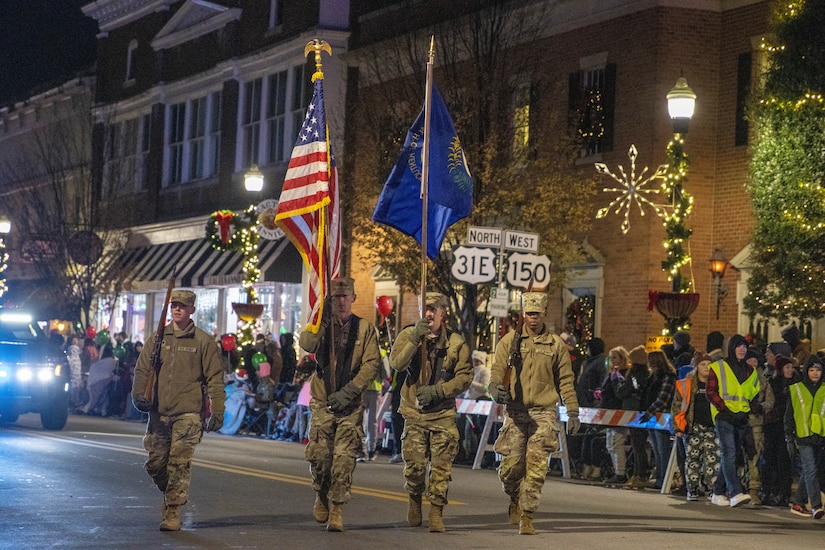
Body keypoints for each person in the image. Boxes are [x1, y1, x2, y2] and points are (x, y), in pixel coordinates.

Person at [131, 289, 226, 531]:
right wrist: (139, 396)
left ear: (192, 310)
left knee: (178, 464)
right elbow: (142, 370)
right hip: (159, 412)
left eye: (182, 306)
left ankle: (173, 511)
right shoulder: (158, 338)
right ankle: (171, 492)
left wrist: (217, 410)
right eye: (174, 305)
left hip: (188, 414)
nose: (177, 309)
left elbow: (215, 378)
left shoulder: (203, 342)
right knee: (155, 465)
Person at [489, 291, 580, 535]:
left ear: (544, 314)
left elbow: (566, 381)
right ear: (523, 314)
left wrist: (572, 411)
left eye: (537, 313)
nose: (532, 318)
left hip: (544, 413)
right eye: (529, 313)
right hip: (516, 413)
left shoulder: (555, 345)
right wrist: (494, 389)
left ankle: (527, 516)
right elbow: (497, 371)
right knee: (511, 469)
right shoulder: (510, 342)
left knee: (537, 468)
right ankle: (514, 498)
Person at [298, 276, 380, 532]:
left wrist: (349, 392)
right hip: (323, 402)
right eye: (336, 297)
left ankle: (337, 508)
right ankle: (321, 493)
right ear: (330, 300)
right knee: (321, 459)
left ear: (354, 298)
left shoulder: (365, 329)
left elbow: (371, 365)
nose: (342, 302)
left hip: (350, 405)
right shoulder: (321, 325)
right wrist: (321, 323)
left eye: (346, 297)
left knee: (344, 460)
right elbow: (307, 345)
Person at [388, 292, 472, 533]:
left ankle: (436, 511)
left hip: (442, 415)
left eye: (433, 309)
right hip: (414, 414)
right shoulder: (408, 335)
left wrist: (439, 391)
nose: (428, 313)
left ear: (443, 313)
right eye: (425, 308)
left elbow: (465, 376)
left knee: (441, 469)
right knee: (414, 467)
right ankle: (414, 499)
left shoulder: (456, 343)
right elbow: (397, 364)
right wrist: (415, 339)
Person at [706, 333, 760, 508]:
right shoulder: (719, 366)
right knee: (729, 452)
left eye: (745, 346)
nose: (743, 349)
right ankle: (735, 492)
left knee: (732, 454)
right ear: (732, 348)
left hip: (741, 417)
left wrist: (750, 410)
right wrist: (723, 407)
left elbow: (753, 394)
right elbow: (710, 392)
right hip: (724, 416)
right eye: (739, 346)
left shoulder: (751, 371)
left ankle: (718, 492)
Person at [672, 352, 720, 501]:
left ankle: (713, 489)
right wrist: (678, 428)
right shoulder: (687, 384)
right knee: (693, 459)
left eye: (708, 364)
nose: (706, 367)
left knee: (713, 460)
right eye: (702, 364)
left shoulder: (717, 383)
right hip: (693, 427)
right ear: (696, 367)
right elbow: (677, 407)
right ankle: (692, 489)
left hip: (712, 427)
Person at [785, 356, 825, 519]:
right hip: (802, 436)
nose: (815, 373)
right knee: (810, 470)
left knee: (809, 471)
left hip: (820, 436)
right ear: (806, 371)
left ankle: (798, 502)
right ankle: (816, 505)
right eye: (812, 370)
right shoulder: (796, 389)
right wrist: (789, 437)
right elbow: (789, 416)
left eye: (818, 370)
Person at [762, 355, 798, 506]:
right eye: (787, 367)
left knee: (784, 462)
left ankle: (783, 493)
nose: (790, 370)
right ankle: (769, 491)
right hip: (774, 426)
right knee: (770, 460)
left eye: (791, 367)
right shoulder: (774, 383)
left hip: (787, 427)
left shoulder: (797, 384)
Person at [639, 350, 676, 490]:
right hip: (652, 417)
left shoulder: (668, 377)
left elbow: (663, 398)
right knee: (657, 450)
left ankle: (664, 479)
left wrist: (649, 411)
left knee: (663, 449)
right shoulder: (653, 377)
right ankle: (659, 478)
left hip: (661, 416)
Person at [618, 345, 651, 489]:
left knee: (638, 446)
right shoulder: (648, 375)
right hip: (642, 411)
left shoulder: (633, 376)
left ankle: (640, 475)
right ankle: (638, 475)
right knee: (640, 445)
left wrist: (618, 383)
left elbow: (623, 392)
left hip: (633, 412)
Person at [744, 347, 774, 505]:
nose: (753, 364)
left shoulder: (763, 379)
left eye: (755, 361)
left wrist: (761, 407)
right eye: (750, 360)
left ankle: (753, 489)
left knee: (754, 455)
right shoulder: (739, 376)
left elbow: (770, 400)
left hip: (756, 422)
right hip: (739, 420)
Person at [600, 346, 630, 484]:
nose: (612, 360)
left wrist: (614, 378)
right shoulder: (611, 373)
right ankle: (616, 471)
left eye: (615, 357)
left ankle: (621, 473)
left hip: (618, 411)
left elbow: (620, 391)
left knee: (617, 442)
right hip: (608, 411)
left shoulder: (623, 374)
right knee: (610, 444)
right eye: (610, 357)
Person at [80, 345, 116, 415]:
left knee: (94, 397)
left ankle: (86, 409)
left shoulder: (102, 361)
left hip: (96, 380)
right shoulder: (112, 361)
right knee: (103, 396)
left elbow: (93, 368)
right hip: (106, 380)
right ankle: (102, 410)